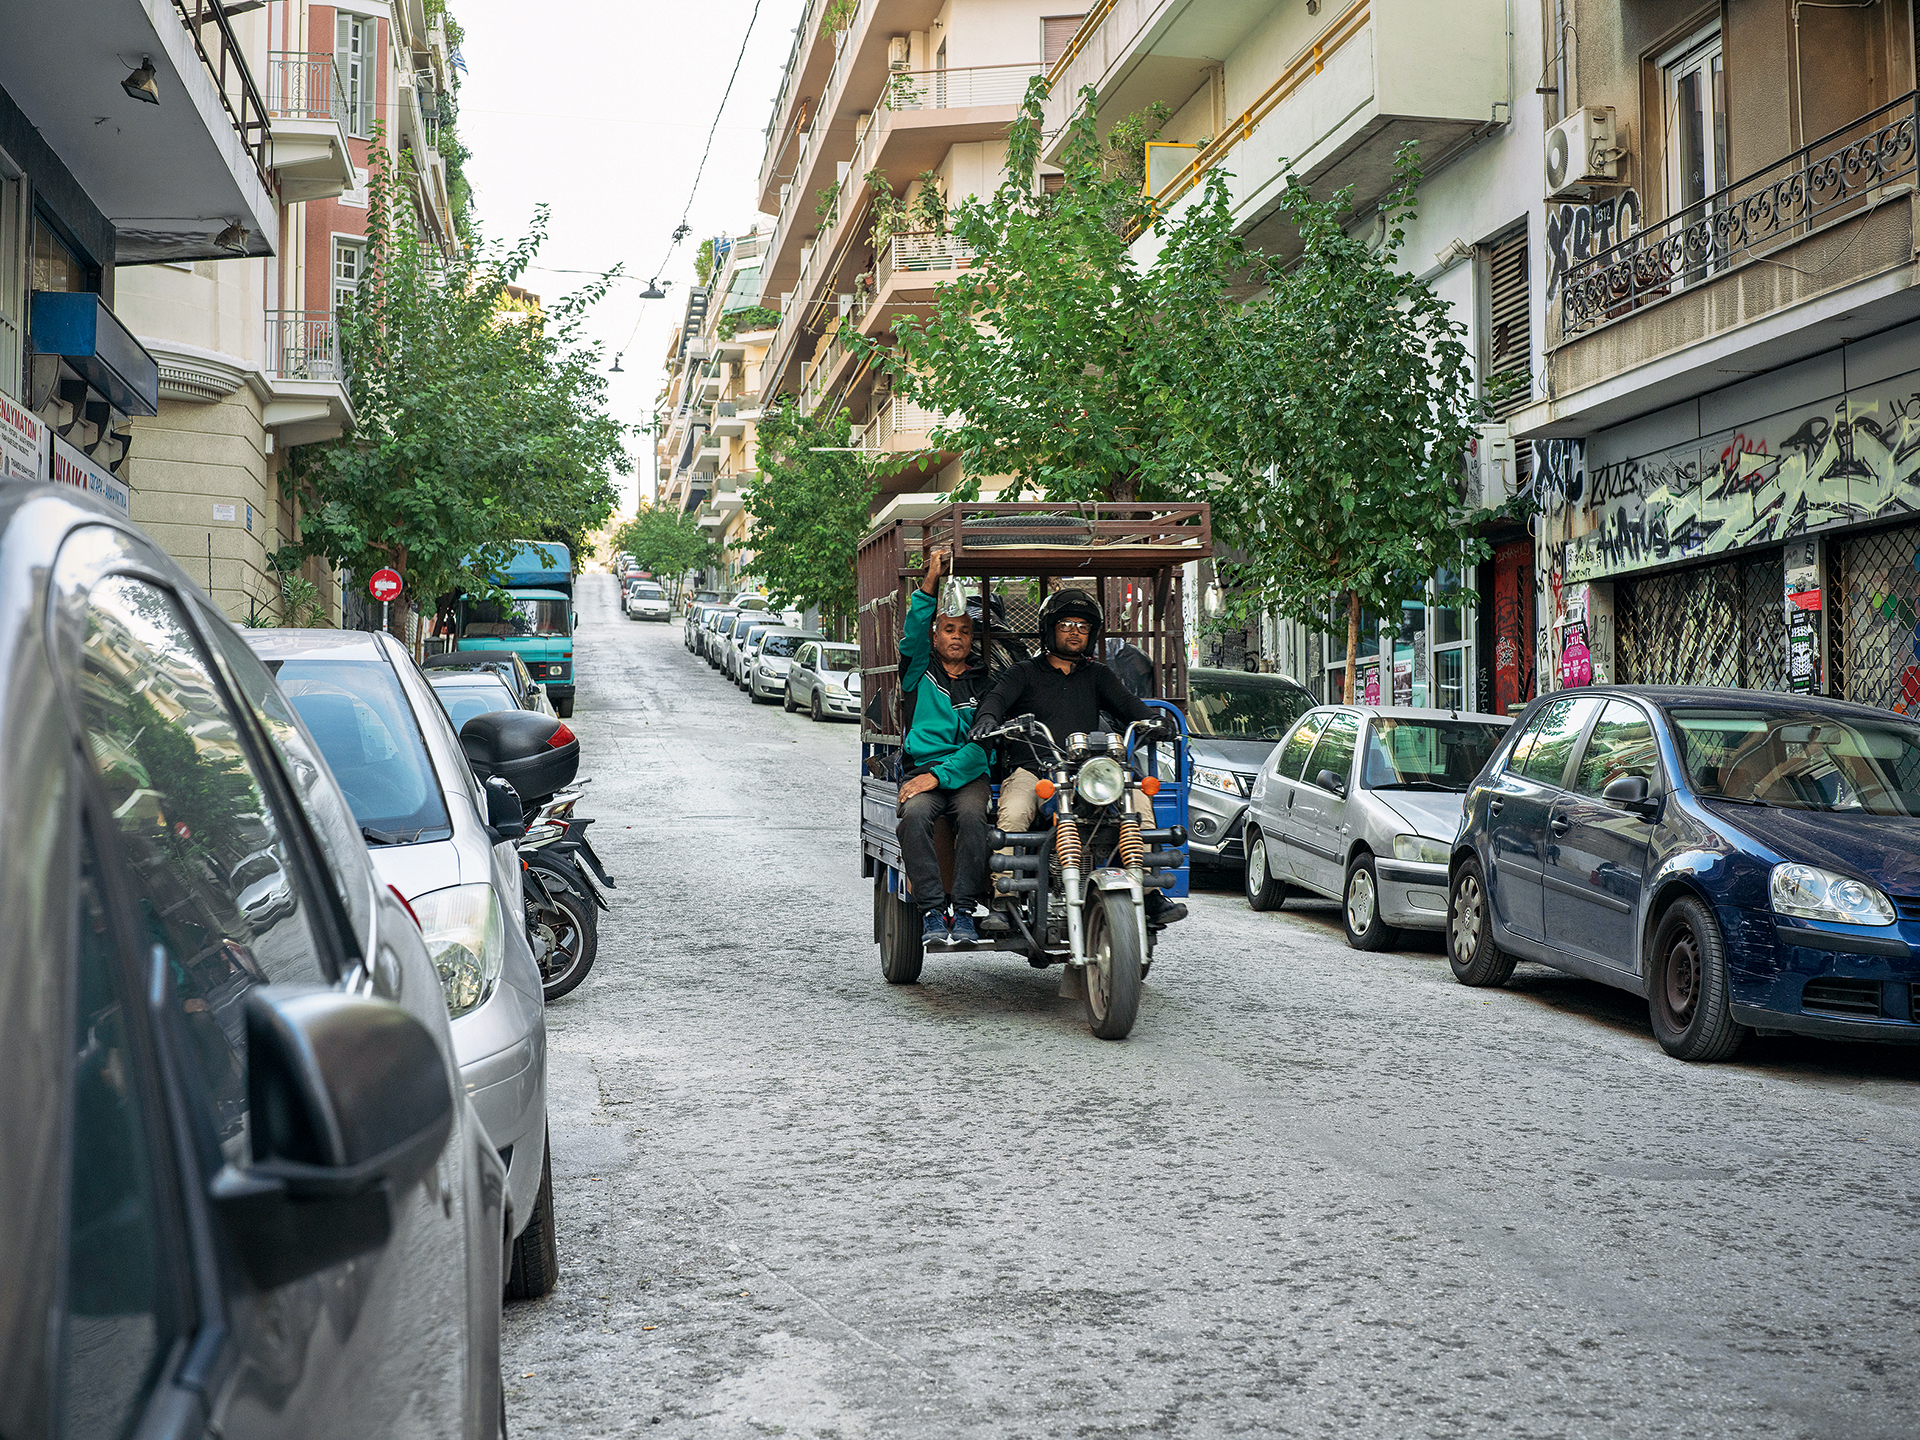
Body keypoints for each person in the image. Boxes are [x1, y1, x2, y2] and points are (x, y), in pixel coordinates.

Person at [968, 588, 1188, 930]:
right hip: (1034, 770)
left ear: (1092, 633)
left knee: (1139, 803)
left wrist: (1155, 722)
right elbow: (995, 700)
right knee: (1012, 812)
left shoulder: (1098, 675)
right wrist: (987, 719)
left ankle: (1146, 890)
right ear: (1050, 629)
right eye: (1067, 624)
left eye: (1083, 626)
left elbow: (1131, 706)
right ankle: (1004, 899)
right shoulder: (1023, 673)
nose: (1075, 631)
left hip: (1088, 773)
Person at [896, 547, 996, 947]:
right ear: (936, 634)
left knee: (975, 817)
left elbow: (982, 748)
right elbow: (912, 630)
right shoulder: (919, 670)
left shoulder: (986, 682)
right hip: (923, 768)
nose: (957, 637)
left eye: (965, 631)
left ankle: (967, 911)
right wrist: (930, 580)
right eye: (949, 630)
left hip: (967, 773)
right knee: (915, 817)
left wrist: (938, 776)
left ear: (972, 639)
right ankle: (934, 912)